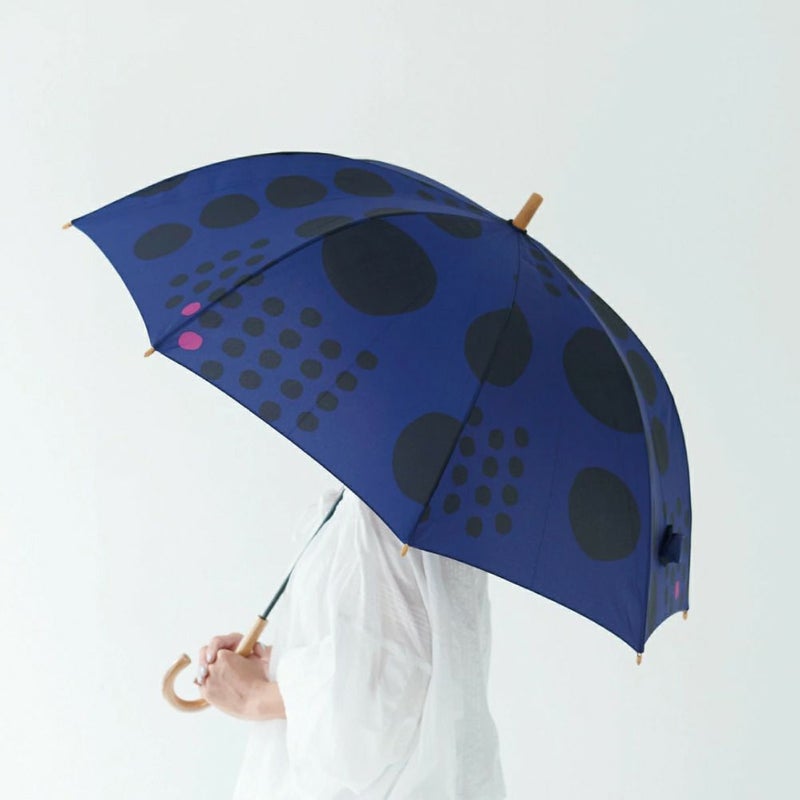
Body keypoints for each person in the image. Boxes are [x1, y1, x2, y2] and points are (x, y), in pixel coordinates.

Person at [195, 484, 506, 799]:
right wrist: (274, 663)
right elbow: (398, 658)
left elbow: (370, 714)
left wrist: (253, 694)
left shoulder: (386, 513)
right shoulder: (429, 508)